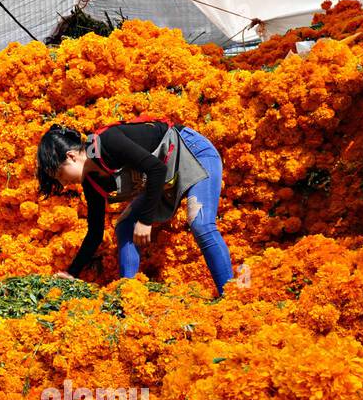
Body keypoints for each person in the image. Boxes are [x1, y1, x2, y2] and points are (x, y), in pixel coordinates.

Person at [36, 118, 234, 294]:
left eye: (60, 175)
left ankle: (229, 296)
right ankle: (128, 293)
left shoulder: (108, 142)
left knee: (200, 223)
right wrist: (72, 273)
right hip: (166, 177)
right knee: (125, 226)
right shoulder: (92, 182)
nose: (63, 184)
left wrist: (145, 220)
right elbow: (95, 233)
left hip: (193, 152)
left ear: (71, 156)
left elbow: (156, 169)